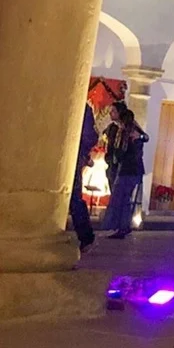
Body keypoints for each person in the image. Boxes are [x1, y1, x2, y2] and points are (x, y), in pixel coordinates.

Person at [102, 110, 149, 239]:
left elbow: (126, 152)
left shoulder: (129, 134)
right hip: (131, 170)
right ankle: (123, 226)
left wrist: (116, 157)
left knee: (122, 198)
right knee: (124, 198)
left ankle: (122, 226)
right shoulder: (131, 133)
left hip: (129, 170)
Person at [70, 103, 99, 252]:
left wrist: (81, 153)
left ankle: (86, 237)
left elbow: (91, 136)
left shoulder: (83, 107)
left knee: (74, 198)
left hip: (72, 158)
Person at [103, 100, 129, 191]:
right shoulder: (111, 128)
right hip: (111, 165)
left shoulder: (127, 129)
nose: (110, 113)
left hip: (122, 167)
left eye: (113, 111)